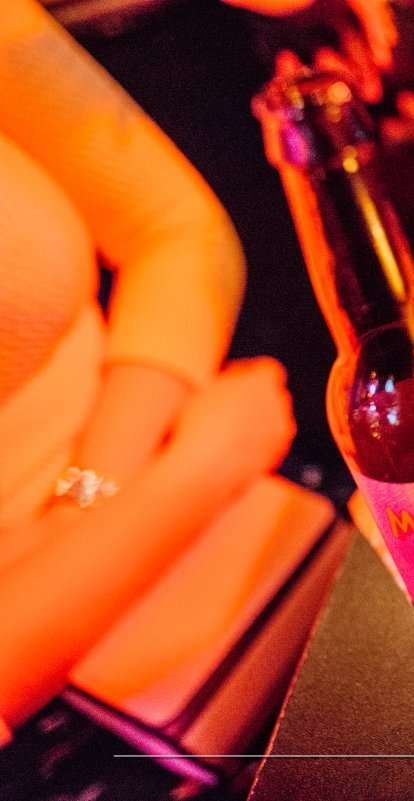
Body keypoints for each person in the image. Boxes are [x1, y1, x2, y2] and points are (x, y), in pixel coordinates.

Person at [0, 0, 295, 744]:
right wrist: (199, 470)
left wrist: (86, 507)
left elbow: (175, 232)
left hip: (167, 471)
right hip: (71, 729)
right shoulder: (205, 462)